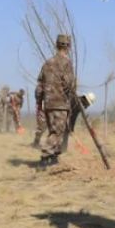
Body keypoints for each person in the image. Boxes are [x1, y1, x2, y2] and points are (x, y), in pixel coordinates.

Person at [36, 35, 77, 168]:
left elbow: (39, 87)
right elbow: (69, 84)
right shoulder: (67, 63)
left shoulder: (47, 63)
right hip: (60, 104)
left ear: (56, 45)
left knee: (55, 130)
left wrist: (40, 102)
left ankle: (54, 157)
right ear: (68, 47)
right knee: (57, 132)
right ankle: (44, 156)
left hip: (48, 104)